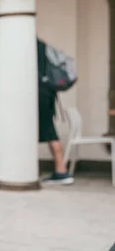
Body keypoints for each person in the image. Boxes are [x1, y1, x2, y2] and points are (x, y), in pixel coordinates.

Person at [37, 38, 73, 185]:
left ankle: (62, 171)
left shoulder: (27, 46)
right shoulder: (42, 46)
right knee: (48, 130)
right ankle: (61, 171)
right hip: (48, 94)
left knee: (49, 132)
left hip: (38, 94)